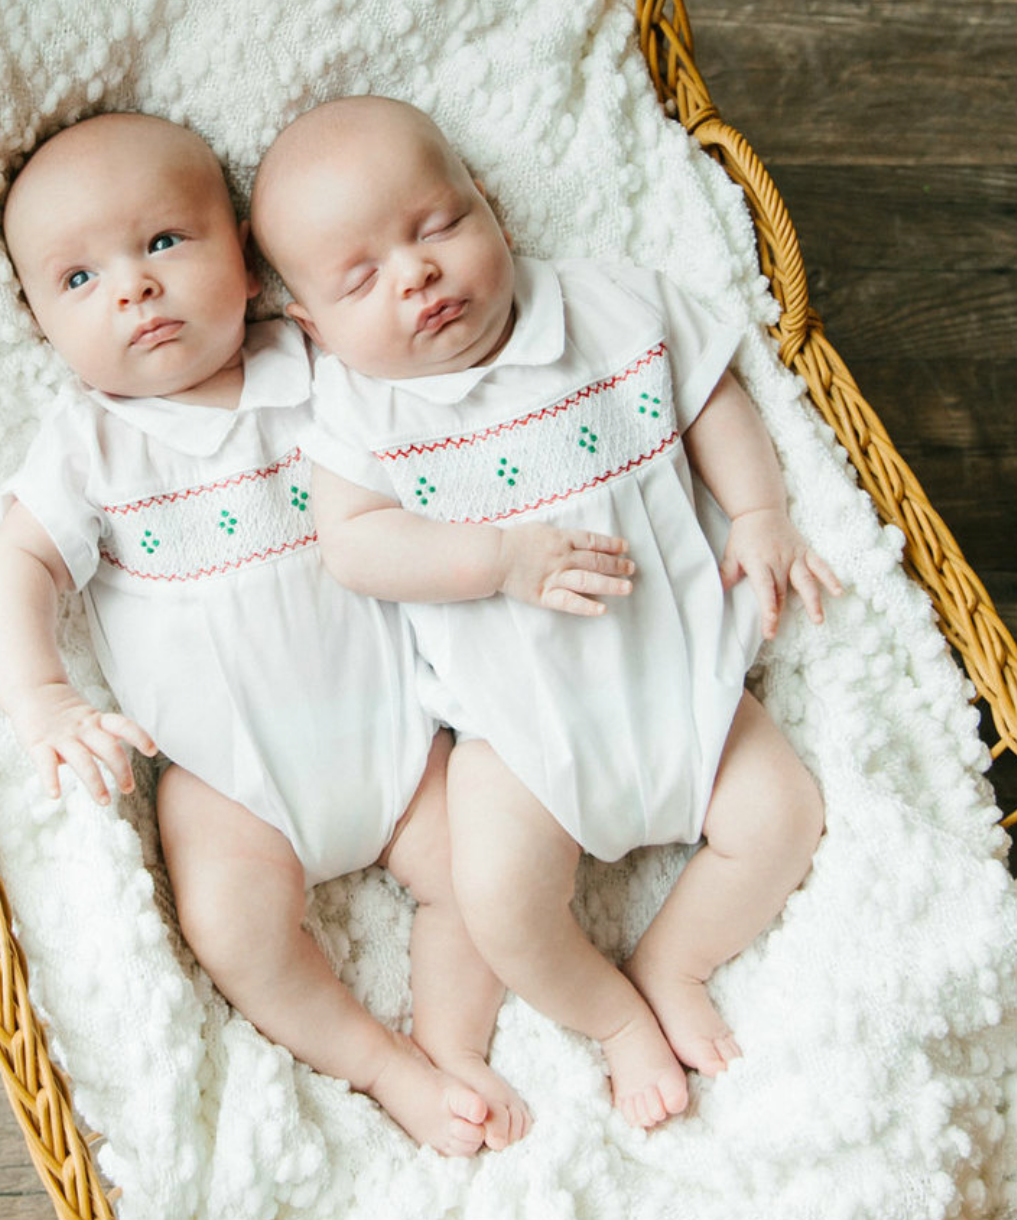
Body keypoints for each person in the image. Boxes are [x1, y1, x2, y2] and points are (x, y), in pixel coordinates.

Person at [250, 95, 842, 1129]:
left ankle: (675, 958)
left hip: (687, 687)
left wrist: (759, 512)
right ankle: (614, 1017)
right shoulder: (359, 409)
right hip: (520, 738)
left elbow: (711, 399)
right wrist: (497, 559)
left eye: (437, 226)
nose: (416, 272)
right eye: (360, 278)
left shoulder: (609, 306)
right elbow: (353, 544)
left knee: (782, 813)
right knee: (502, 903)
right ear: (313, 326)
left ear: (496, 211)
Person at [0, 111, 531, 1155]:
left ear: (247, 255)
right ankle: (378, 1059)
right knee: (231, 925)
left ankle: (453, 1047)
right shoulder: (88, 441)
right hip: (232, 782)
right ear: (39, 318)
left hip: (404, 736)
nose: (132, 286)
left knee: (489, 869)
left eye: (164, 242)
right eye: (78, 279)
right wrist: (42, 698)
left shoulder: (321, 371)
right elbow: (17, 568)